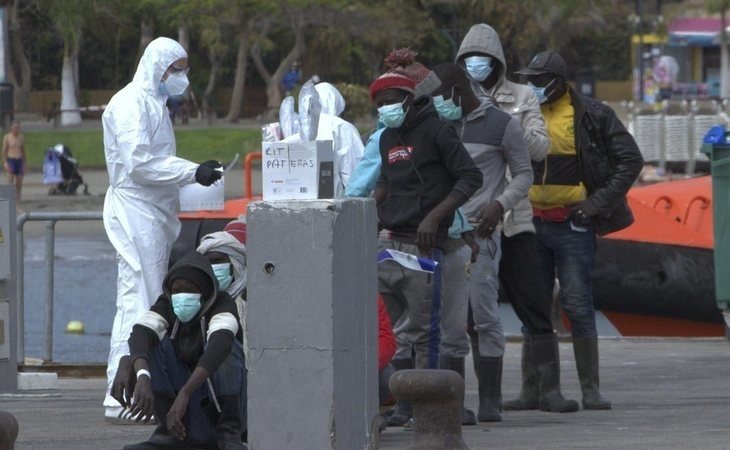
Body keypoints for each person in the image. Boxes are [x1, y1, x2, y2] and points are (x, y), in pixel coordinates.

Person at [456, 23, 580, 417]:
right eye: (468, 61)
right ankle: (485, 399)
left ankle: (549, 391)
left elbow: (539, 149)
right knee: (476, 312)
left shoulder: (523, 96)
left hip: (516, 218)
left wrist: (505, 126)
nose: (476, 67)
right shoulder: (457, 101)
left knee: (534, 304)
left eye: (483, 60)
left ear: (498, 62)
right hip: (475, 222)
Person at [102, 36, 223, 423]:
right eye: (177, 68)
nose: (182, 76)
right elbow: (140, 164)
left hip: (151, 212)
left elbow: (155, 163)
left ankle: (129, 392)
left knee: (142, 295)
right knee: (142, 297)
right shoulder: (129, 104)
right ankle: (127, 394)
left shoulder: (153, 103)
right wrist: (192, 171)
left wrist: (189, 177)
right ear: (158, 66)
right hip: (136, 210)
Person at [516, 50, 643, 410]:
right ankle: (533, 390)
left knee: (578, 304)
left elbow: (630, 160)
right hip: (530, 223)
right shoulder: (523, 113)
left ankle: (590, 389)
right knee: (533, 308)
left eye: (539, 81)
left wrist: (595, 205)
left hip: (573, 224)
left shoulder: (593, 114)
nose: (533, 87)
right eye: (530, 80)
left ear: (558, 82)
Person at [429, 63, 533, 422]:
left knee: (484, 316)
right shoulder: (439, 124)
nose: (437, 103)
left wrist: (500, 204)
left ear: (459, 90)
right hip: (444, 233)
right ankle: (454, 402)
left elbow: (524, 174)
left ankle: (491, 399)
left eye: (442, 96)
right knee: (449, 321)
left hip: (482, 233)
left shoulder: (503, 125)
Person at [370, 68, 482, 376]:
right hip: (388, 246)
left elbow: (471, 176)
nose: (384, 108)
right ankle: (396, 401)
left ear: (408, 99)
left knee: (424, 330)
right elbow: (386, 181)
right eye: (379, 103)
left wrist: (435, 217)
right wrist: (365, 209)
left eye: (390, 101)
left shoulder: (438, 131)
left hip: (423, 248)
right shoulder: (387, 137)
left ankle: (425, 401)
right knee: (386, 330)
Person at [112, 251, 245, 450]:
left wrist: (185, 392)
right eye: (176, 291)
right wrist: (140, 373)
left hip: (211, 399)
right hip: (183, 408)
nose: (181, 296)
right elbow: (141, 332)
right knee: (145, 349)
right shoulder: (166, 304)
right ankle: (169, 433)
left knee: (228, 348)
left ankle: (227, 434)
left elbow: (220, 343)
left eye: (189, 290)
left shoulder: (222, 304)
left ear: (204, 292)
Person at [2, 120, 25, 208]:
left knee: (19, 182)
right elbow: (4, 151)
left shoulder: (21, 138)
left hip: (19, 160)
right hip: (11, 160)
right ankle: (9, 201)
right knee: (10, 182)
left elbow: (23, 151)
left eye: (18, 128)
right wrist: (5, 162)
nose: (16, 129)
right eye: (15, 127)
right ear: (11, 128)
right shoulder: (7, 137)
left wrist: (24, 163)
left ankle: (18, 201)